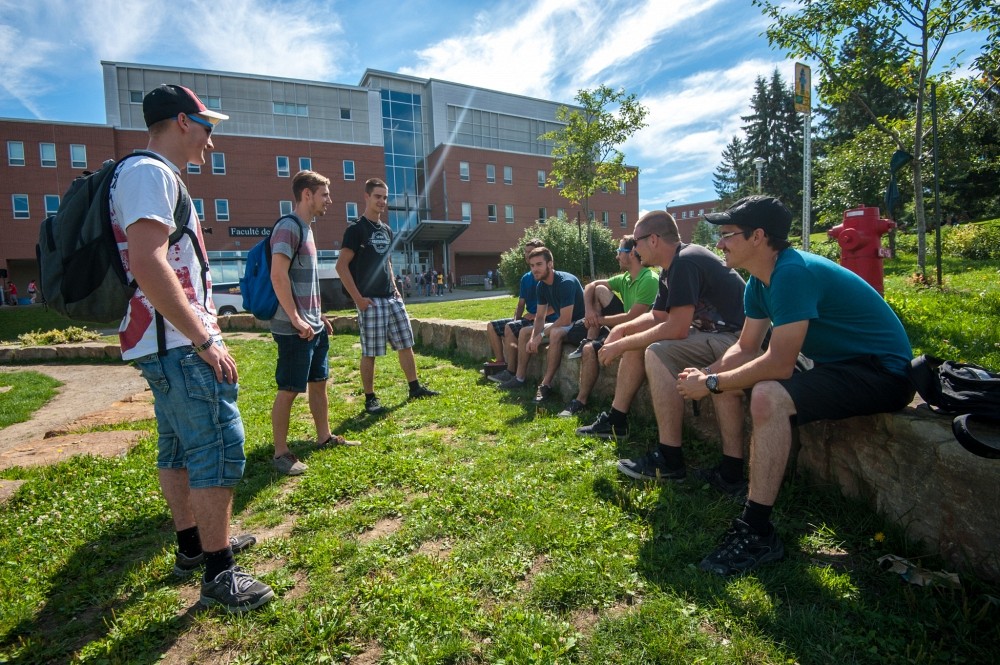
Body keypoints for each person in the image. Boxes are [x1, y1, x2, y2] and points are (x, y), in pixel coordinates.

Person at [677, 195, 914, 576]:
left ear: (758, 236)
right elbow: (746, 346)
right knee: (740, 381)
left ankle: (756, 532)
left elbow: (780, 364)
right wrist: (705, 374)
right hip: (838, 365)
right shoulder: (759, 280)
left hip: (882, 372)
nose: (719, 243)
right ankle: (732, 473)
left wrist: (713, 382)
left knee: (769, 392)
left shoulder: (792, 273)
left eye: (727, 235)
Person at [112, 84, 272, 612]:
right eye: (206, 127)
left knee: (179, 446)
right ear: (182, 122)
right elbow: (147, 261)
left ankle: (193, 546)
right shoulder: (150, 173)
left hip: (164, 342)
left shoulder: (149, 175)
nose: (210, 138)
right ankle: (219, 573)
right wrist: (204, 338)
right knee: (218, 448)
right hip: (180, 343)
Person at [607, 212, 747, 486]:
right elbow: (658, 316)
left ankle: (670, 459)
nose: (634, 249)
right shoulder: (671, 267)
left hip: (738, 341)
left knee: (658, 352)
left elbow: (677, 329)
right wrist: (622, 329)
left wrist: (622, 344)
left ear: (654, 240)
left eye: (636, 242)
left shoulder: (685, 261)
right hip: (717, 335)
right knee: (645, 340)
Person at [270, 170, 359, 477]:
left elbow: (304, 281)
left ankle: (324, 437)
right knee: (290, 388)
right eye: (324, 195)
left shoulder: (307, 230)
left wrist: (318, 315)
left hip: (313, 326)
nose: (329, 201)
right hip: (294, 328)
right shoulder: (288, 228)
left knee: (319, 384)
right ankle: (281, 453)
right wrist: (296, 318)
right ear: (307, 194)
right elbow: (278, 276)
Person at [336, 178, 439, 414]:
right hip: (369, 301)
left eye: (385, 197)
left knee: (406, 344)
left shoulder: (387, 229)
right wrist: (358, 300)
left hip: (391, 298)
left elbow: (388, 263)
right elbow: (341, 266)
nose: (382, 201)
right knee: (370, 351)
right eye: (377, 196)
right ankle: (370, 398)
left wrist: (397, 292)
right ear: (366, 197)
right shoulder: (355, 229)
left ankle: (415, 388)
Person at [557, 235, 658, 417]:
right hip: (622, 326)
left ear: (632, 254)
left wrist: (598, 320)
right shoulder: (627, 277)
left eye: (619, 251)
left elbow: (633, 317)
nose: (617, 256)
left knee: (590, 348)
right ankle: (580, 400)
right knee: (599, 290)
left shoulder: (649, 279)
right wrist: (589, 311)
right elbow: (590, 285)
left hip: (639, 331)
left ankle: (590, 340)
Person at [496, 246, 585, 404]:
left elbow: (565, 319)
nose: (535, 269)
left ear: (550, 264)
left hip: (580, 324)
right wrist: (533, 337)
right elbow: (540, 317)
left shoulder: (566, 282)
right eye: (532, 266)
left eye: (539, 264)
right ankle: (519, 377)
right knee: (524, 332)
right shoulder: (541, 286)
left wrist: (541, 336)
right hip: (566, 324)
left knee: (556, 333)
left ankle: (545, 385)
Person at [484, 238, 544, 377]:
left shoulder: (545, 275)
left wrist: (535, 316)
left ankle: (511, 372)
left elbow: (556, 305)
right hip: (527, 318)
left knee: (510, 328)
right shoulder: (526, 278)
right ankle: (500, 362)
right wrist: (515, 320)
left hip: (542, 319)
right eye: (525, 252)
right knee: (492, 326)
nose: (527, 255)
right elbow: (521, 304)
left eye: (530, 252)